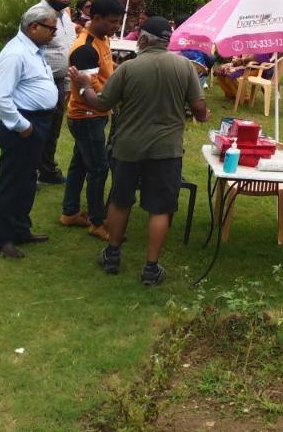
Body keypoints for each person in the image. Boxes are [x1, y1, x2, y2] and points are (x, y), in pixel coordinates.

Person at [69, 16, 208, 285]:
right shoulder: (184, 67)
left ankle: (112, 255)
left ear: (142, 40)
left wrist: (84, 86)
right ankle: (150, 268)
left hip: (127, 147)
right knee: (160, 208)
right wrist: (202, 114)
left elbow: (101, 104)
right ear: (167, 41)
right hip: (166, 150)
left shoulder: (127, 69)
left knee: (120, 201)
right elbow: (200, 110)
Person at [0, 3, 62, 259]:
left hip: (37, 122)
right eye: (51, 29)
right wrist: (22, 125)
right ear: (33, 27)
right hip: (23, 125)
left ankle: (20, 228)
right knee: (12, 180)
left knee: (28, 178)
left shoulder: (34, 50)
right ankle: (1, 237)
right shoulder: (15, 53)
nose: (54, 34)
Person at [60, 0, 125, 240]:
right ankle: (97, 222)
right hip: (87, 116)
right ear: (95, 18)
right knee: (98, 168)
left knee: (80, 163)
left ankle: (70, 212)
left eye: (118, 22)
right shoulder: (85, 49)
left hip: (95, 115)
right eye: (111, 22)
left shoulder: (102, 39)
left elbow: (106, 73)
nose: (115, 27)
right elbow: (92, 92)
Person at [34, 0, 77, 185]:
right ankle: (30, 175)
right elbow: (30, 51)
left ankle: (47, 170)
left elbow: (68, 50)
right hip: (40, 82)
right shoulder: (38, 15)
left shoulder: (65, 17)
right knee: (38, 128)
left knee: (52, 129)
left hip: (59, 82)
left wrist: (68, 83)